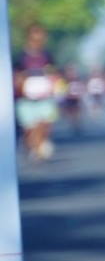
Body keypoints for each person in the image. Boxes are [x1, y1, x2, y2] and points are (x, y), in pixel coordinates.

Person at [14, 28, 61, 163]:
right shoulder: (21, 56)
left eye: (41, 40)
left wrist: (54, 84)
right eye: (35, 40)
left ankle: (39, 149)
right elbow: (16, 75)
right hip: (26, 99)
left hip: (45, 98)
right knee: (29, 128)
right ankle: (31, 144)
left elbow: (54, 73)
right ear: (29, 39)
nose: (38, 42)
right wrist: (20, 85)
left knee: (44, 123)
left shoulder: (47, 55)